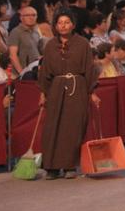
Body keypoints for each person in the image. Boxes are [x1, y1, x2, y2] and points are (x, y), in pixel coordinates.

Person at [38, 9, 100, 180]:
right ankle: (51, 167)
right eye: (59, 23)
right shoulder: (50, 45)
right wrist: (43, 93)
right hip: (56, 89)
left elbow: (89, 69)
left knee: (73, 127)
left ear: (73, 24)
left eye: (66, 22)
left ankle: (69, 165)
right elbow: (44, 72)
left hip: (77, 88)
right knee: (52, 128)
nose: (63, 25)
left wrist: (92, 92)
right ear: (55, 26)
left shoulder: (82, 44)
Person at [7, 6, 42, 78]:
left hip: (34, 73)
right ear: (21, 18)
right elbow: (12, 55)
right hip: (21, 75)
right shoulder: (16, 32)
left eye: (34, 15)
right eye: (27, 15)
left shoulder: (36, 32)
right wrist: (21, 72)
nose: (31, 17)